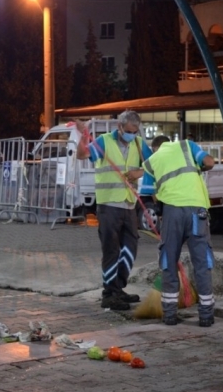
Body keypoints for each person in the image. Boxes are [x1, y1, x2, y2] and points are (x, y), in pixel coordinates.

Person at [76, 110, 153, 311]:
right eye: (129, 131)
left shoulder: (138, 143)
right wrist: (83, 135)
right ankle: (108, 294)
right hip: (108, 205)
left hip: (128, 204)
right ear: (120, 127)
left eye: (135, 131)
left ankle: (118, 288)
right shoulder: (104, 142)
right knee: (111, 251)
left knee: (130, 249)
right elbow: (82, 154)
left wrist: (140, 171)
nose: (132, 134)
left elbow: (154, 164)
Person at [142, 135, 216, 327]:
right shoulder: (187, 145)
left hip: (172, 212)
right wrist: (200, 169)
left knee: (168, 261)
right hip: (197, 212)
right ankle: (206, 316)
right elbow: (209, 162)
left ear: (155, 148)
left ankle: (169, 315)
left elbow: (148, 194)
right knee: (202, 262)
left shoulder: (151, 161)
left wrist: (159, 209)